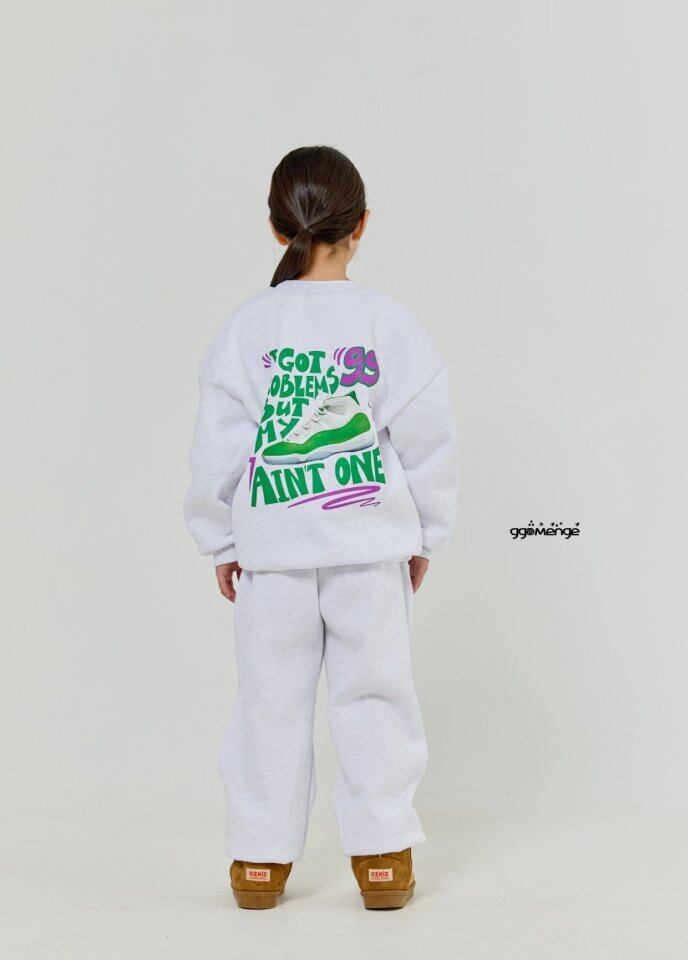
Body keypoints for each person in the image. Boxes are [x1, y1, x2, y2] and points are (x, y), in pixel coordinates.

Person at [184, 146, 458, 910]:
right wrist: (425, 535)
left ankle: (259, 860)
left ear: (278, 228)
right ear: (362, 223)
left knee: (268, 703)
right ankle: (382, 856)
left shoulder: (248, 328)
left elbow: (218, 446)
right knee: (375, 696)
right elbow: (429, 443)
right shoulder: (389, 324)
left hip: (273, 558)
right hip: (368, 554)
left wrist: (221, 537)